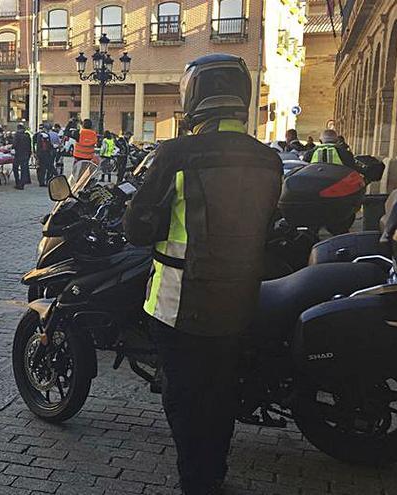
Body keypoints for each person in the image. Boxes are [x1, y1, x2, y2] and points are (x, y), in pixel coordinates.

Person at [123, 54, 282, 495]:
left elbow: (138, 229)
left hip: (179, 302)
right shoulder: (268, 160)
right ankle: (215, 470)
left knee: (185, 398)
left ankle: (198, 481)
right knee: (221, 391)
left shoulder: (176, 154)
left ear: (194, 98)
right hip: (241, 299)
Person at [12, 124, 33, 189]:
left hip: (18, 154)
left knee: (15, 168)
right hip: (26, 154)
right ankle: (22, 183)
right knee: (24, 170)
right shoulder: (27, 136)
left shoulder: (17, 135)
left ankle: (18, 182)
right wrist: (29, 154)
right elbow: (30, 146)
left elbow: (14, 145)